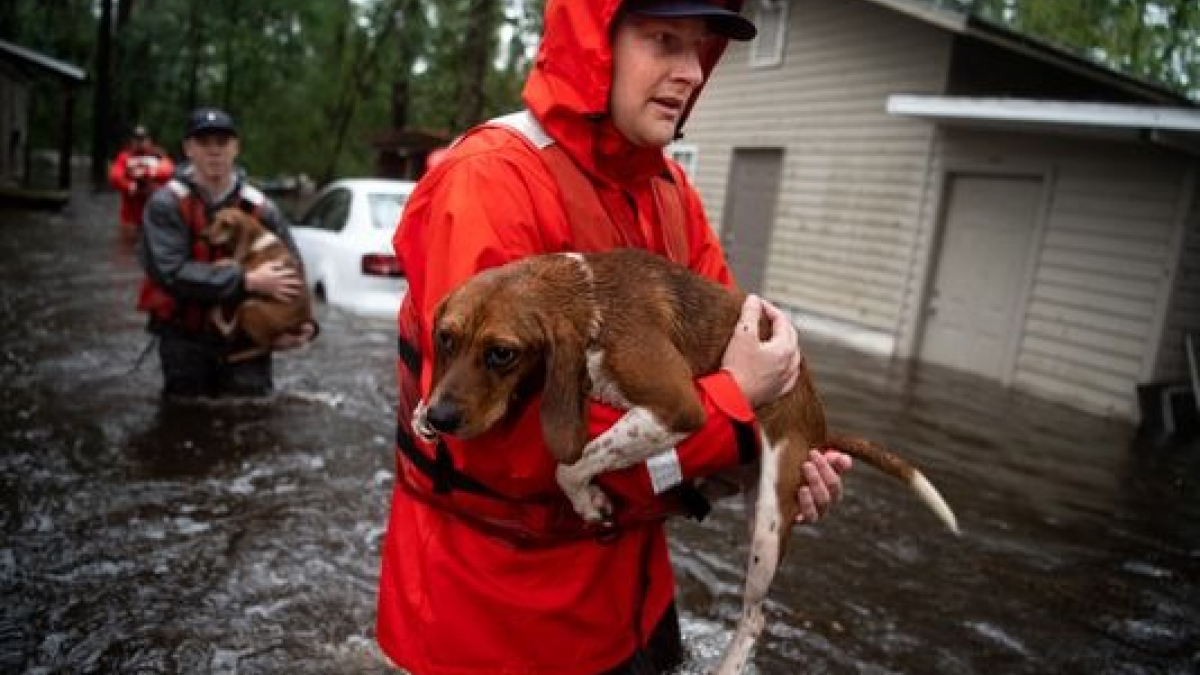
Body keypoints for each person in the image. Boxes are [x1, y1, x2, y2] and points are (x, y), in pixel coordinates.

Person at [378, 2, 854, 674]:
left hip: (635, 601)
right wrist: (732, 413)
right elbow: (489, 441)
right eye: (664, 40)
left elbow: (730, 361)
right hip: (493, 622)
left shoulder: (671, 191)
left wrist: (777, 458)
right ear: (594, 40)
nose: (689, 71)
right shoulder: (490, 179)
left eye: (702, 49)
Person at [135, 106, 316, 399]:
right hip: (185, 338)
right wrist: (246, 281)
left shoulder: (261, 207)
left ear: (236, 148)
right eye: (204, 143)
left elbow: (292, 268)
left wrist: (305, 324)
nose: (214, 151)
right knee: (183, 421)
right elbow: (170, 273)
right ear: (188, 149)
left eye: (222, 142)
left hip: (246, 344)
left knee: (250, 423)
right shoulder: (165, 204)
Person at [108, 125, 175, 241]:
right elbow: (115, 177)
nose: (139, 143)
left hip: (154, 218)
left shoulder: (159, 156)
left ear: (149, 140)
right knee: (127, 248)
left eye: (142, 139)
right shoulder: (124, 157)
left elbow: (169, 171)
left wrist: (148, 174)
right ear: (131, 141)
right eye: (136, 139)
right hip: (130, 218)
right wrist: (132, 186)